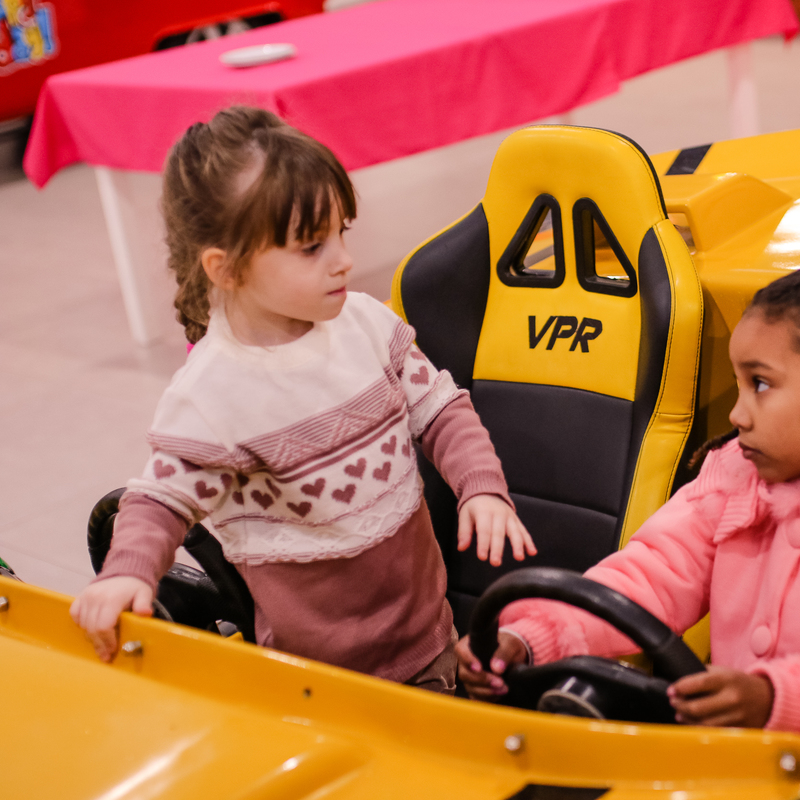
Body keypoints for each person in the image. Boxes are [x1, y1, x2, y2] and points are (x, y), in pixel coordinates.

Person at [70, 106, 534, 693]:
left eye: (342, 232)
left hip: (430, 643)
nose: (343, 259)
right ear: (226, 268)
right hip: (317, 682)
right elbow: (160, 499)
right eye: (312, 246)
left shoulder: (365, 325)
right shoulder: (214, 394)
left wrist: (481, 485)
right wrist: (127, 572)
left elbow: (441, 409)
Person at [456, 262, 800, 736]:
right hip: (728, 768)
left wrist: (776, 700)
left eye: (760, 385)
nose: (738, 415)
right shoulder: (737, 476)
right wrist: (530, 638)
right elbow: (649, 577)